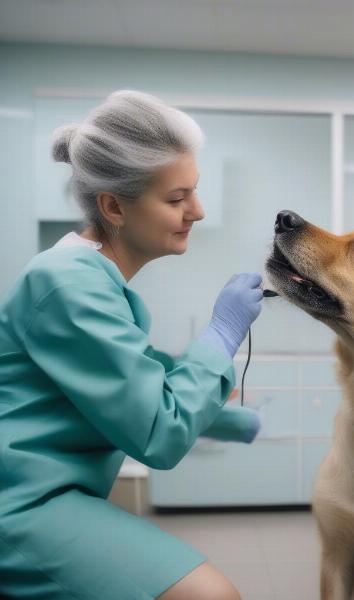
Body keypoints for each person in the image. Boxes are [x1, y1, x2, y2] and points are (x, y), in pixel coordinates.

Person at [0, 90, 264, 599]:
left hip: (54, 492)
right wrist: (224, 332)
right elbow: (157, 431)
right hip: (21, 503)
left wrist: (240, 421)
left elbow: (134, 383)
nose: (199, 211)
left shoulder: (87, 276)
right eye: (176, 198)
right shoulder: (67, 282)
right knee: (210, 595)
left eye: (195, 191)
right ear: (113, 206)